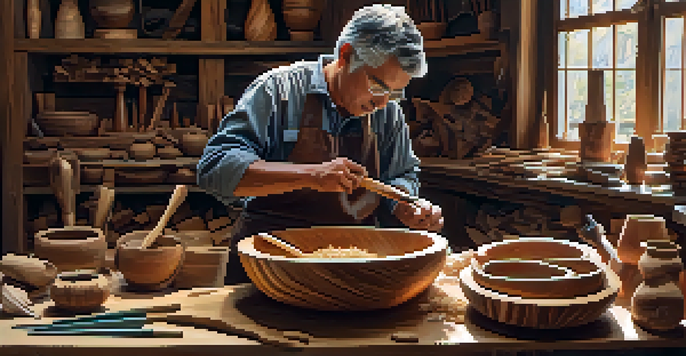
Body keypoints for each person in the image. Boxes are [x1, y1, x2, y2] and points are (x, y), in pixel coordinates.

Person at [197, 4, 444, 284]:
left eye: (395, 92)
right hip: (268, 266)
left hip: (350, 266)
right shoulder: (278, 91)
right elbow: (215, 170)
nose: (383, 102)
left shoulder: (387, 113)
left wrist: (404, 204)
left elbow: (402, 174)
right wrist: (311, 175)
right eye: (377, 86)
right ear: (346, 55)